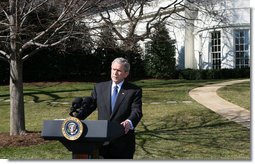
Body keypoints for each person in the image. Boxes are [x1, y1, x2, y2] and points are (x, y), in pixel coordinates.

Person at [70, 57, 143, 159]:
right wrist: (74, 120)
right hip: (102, 143)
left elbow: (137, 111)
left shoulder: (134, 91)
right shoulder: (99, 88)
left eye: (118, 70)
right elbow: (89, 107)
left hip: (123, 143)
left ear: (126, 74)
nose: (115, 73)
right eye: (113, 69)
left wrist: (129, 122)